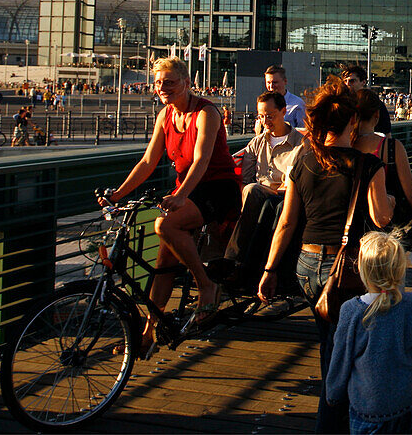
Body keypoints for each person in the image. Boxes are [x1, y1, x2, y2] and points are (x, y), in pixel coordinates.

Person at [259, 76, 394, 433]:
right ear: (354, 122)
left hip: (306, 264)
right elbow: (382, 217)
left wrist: (270, 269)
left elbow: (287, 222)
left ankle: (334, 406)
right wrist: (391, 199)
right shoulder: (368, 165)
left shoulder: (302, 161)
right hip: (347, 268)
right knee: (347, 348)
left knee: (329, 339)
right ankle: (335, 418)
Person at [101, 57, 241, 355]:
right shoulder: (165, 115)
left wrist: (180, 197)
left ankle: (206, 285)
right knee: (165, 261)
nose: (162, 88)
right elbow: (148, 161)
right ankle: (149, 331)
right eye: (158, 82)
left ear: (187, 83)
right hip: (187, 189)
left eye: (170, 82)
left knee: (165, 224)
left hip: (216, 187)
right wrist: (117, 195)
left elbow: (202, 159)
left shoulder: (206, 112)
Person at [326, 232, 412, 434]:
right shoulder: (411, 305)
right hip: (406, 400)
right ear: (399, 270)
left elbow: (341, 359)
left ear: (361, 268)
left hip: (367, 404)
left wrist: (334, 393)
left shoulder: (351, 311)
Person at [214, 91, 304, 289]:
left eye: (270, 116)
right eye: (261, 116)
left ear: (283, 111)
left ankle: (232, 259)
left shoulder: (300, 144)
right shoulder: (256, 143)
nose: (265, 121)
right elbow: (245, 178)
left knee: (253, 191)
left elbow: (292, 183)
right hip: (257, 196)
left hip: (284, 197)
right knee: (249, 191)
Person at [354, 89, 412, 307]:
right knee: (392, 286)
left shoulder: (345, 147)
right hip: (390, 231)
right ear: (377, 116)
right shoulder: (390, 148)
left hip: (357, 232)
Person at [340, 64, 391, 133]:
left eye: (352, 81)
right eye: (345, 81)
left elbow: (387, 132)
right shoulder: (341, 103)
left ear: (363, 82)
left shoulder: (375, 103)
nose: (347, 84)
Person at [256, 65, 306, 131]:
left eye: (275, 82)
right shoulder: (264, 103)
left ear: (285, 81)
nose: (271, 86)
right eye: (268, 82)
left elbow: (303, 131)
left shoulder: (298, 104)